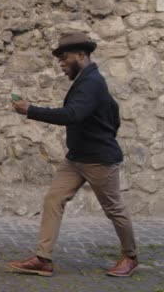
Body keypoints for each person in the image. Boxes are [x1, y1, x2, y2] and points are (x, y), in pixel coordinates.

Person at [7, 32, 138, 277]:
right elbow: (113, 112)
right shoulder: (86, 81)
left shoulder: (92, 82)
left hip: (99, 160)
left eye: (64, 57)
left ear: (81, 55)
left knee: (114, 209)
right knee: (53, 199)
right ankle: (43, 259)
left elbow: (72, 115)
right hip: (76, 158)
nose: (61, 63)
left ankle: (130, 257)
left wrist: (30, 110)